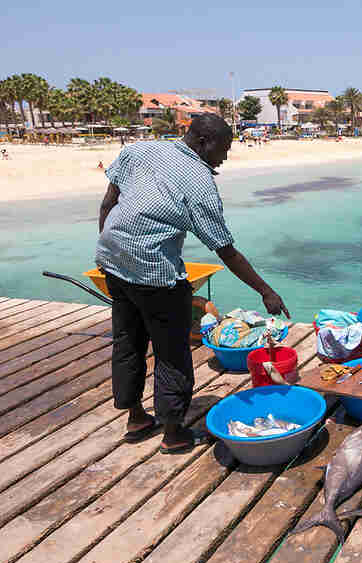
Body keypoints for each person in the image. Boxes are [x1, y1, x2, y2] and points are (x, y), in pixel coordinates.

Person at [96, 113, 289, 453]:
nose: (226, 157)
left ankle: (137, 417)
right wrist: (266, 291)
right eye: (224, 149)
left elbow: (109, 201)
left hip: (112, 260)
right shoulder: (199, 182)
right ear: (204, 142)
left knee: (128, 340)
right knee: (172, 352)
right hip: (155, 274)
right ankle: (174, 433)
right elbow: (225, 250)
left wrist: (112, 249)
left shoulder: (141, 151)